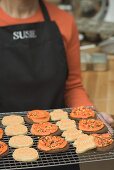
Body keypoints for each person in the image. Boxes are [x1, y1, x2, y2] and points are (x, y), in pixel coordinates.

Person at [0, 0, 114, 169]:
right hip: (5, 146)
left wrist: (90, 115)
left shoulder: (64, 20)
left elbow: (73, 86)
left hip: (61, 140)